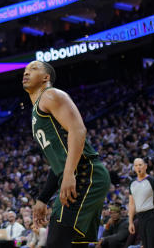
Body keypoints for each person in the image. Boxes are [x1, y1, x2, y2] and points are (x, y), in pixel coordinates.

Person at [22, 60, 111, 247]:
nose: (26, 73)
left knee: (56, 241)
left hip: (86, 173)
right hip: (78, 176)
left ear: (46, 77)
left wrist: (69, 173)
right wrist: (42, 198)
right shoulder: (36, 110)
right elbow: (58, 163)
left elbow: (78, 130)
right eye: (25, 70)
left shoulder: (51, 95)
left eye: (33, 69)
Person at [128, 157, 154, 248]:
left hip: (153, 216)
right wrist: (130, 222)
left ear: (145, 166)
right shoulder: (132, 183)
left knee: (152, 245)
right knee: (145, 245)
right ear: (134, 168)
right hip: (140, 217)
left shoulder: (153, 181)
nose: (138, 167)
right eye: (136, 165)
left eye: (140, 165)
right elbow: (131, 204)